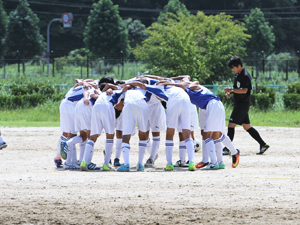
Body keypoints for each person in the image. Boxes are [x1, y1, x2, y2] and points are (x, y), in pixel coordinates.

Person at [224, 56, 270, 155]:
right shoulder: (238, 75)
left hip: (242, 104)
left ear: (239, 65)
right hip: (239, 103)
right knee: (246, 126)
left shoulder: (245, 75)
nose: (233, 69)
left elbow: (245, 90)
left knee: (231, 125)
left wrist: (231, 90)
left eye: (233, 67)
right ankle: (263, 144)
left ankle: (227, 148)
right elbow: (237, 88)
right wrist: (230, 92)